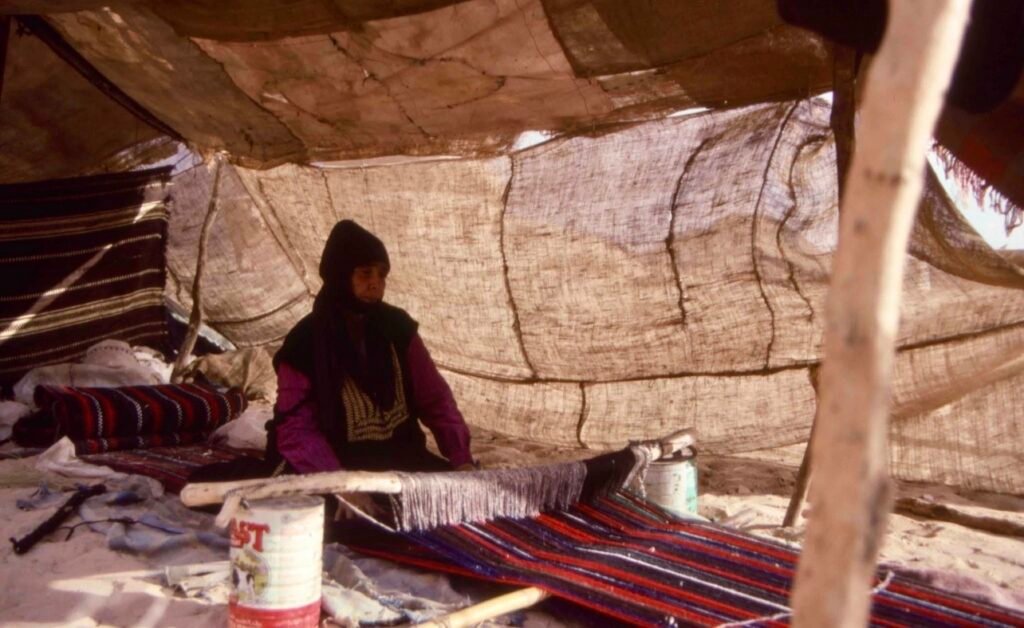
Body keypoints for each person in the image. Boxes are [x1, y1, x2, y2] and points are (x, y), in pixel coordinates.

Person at [265, 219, 475, 475]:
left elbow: (435, 399)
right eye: (365, 273)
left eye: (382, 274)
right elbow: (295, 428)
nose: (376, 283)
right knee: (333, 513)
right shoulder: (304, 342)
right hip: (331, 465)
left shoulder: (398, 328)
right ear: (340, 274)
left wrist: (460, 456)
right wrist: (338, 483)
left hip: (402, 460)